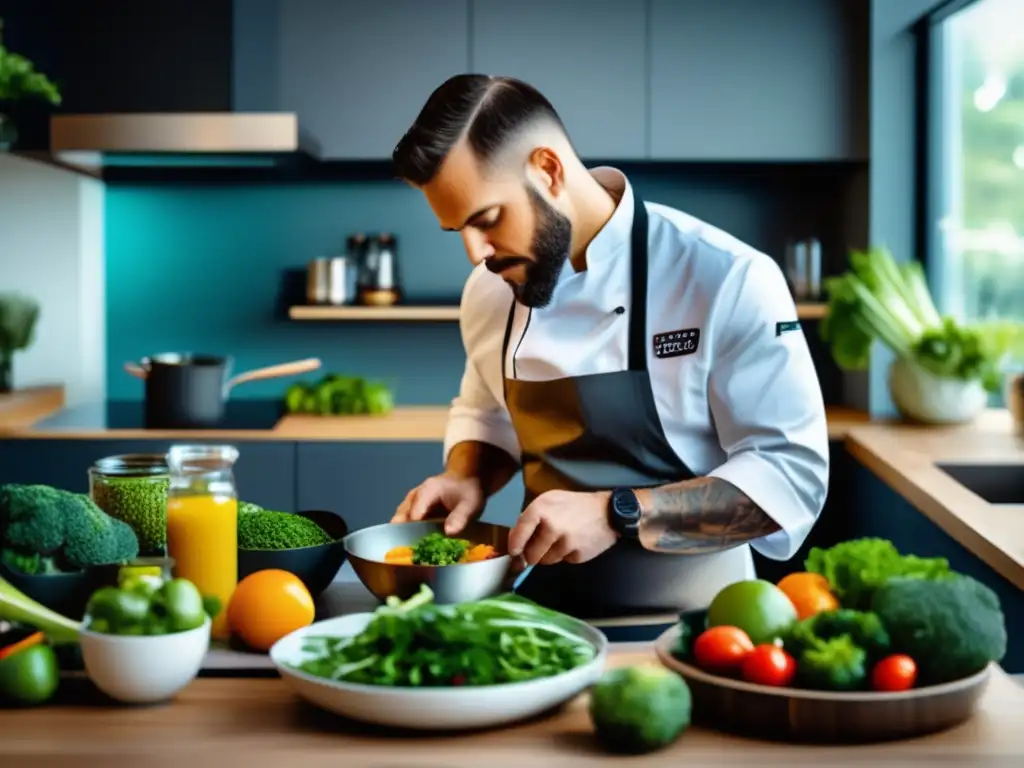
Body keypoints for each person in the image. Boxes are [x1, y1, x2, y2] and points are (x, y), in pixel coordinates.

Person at [389, 74, 830, 620]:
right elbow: (485, 414)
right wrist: (466, 477)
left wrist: (616, 513)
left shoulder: (726, 276)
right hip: (546, 621)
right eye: (457, 229)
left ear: (548, 171)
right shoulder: (489, 290)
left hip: (699, 627)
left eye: (487, 220)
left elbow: (791, 478)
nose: (474, 254)